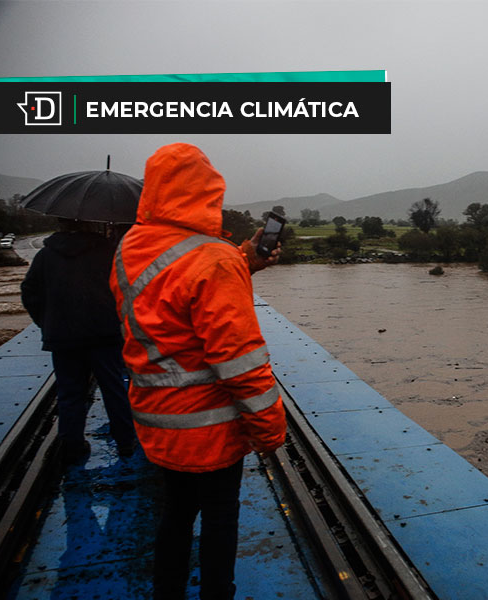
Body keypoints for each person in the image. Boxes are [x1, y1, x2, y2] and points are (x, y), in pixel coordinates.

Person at [109, 143, 286, 600]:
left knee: (177, 512)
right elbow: (240, 363)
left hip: (156, 421)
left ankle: (167, 591)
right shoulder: (214, 258)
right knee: (221, 516)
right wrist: (269, 431)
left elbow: (170, 307)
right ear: (209, 192)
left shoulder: (130, 247)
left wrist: (241, 261)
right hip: (209, 427)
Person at [21, 218, 138, 463]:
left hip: (63, 336)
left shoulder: (45, 256)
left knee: (69, 391)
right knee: (114, 387)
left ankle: (72, 445)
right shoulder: (108, 252)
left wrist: (45, 321)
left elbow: (30, 292)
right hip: (104, 333)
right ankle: (126, 441)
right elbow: (126, 288)